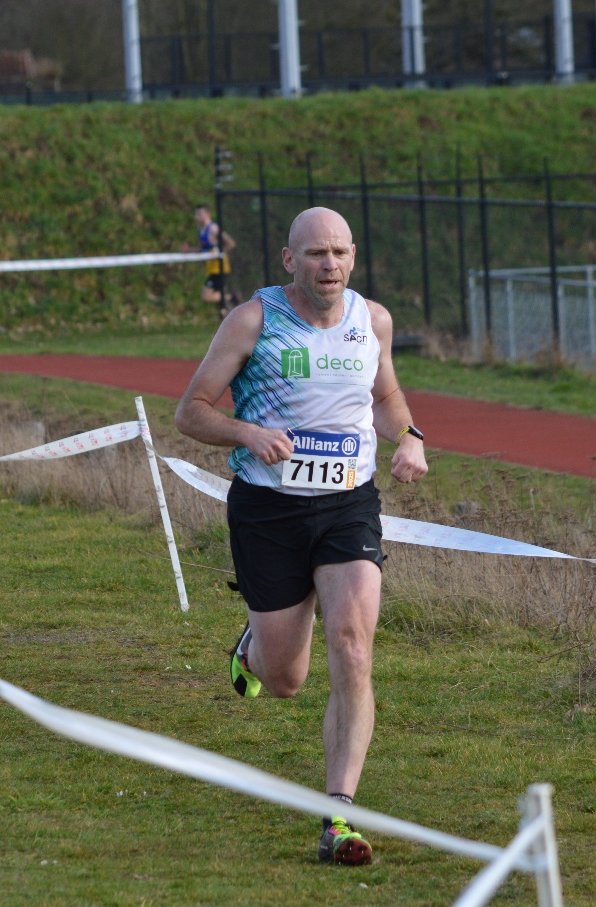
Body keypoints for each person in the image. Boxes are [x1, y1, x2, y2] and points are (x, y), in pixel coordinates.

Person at [175, 207, 428, 866]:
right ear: (290, 259)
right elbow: (191, 411)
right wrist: (248, 433)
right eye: (317, 253)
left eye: (341, 252)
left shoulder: (372, 321)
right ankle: (253, 648)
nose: (331, 265)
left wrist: (410, 436)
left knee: (352, 642)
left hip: (349, 505)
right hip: (268, 511)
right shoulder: (252, 320)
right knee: (285, 678)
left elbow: (388, 395)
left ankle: (338, 816)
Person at [181, 204, 237, 314]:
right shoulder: (200, 229)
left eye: (200, 214)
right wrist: (189, 249)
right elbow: (202, 249)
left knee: (207, 296)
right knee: (221, 300)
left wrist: (219, 253)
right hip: (211, 268)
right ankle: (228, 308)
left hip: (220, 267)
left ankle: (233, 298)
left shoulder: (213, 228)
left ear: (208, 214)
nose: (197, 216)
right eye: (196, 214)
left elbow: (231, 243)